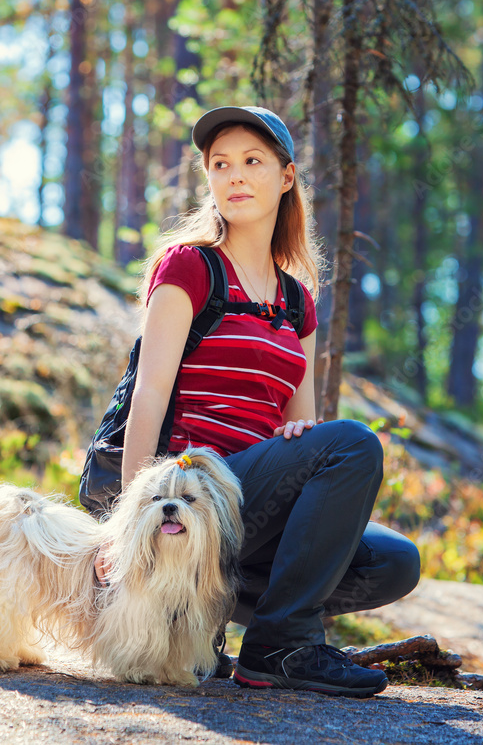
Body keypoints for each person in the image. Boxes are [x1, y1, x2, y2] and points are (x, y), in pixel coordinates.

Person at [95, 105, 421, 697]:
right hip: (187, 492)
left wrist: (300, 437)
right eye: (220, 164)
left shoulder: (297, 300)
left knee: (395, 562)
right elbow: (149, 393)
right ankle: (281, 645)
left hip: (251, 510)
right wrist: (127, 524)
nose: (235, 176)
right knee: (355, 443)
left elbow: (302, 428)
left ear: (287, 177)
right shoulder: (190, 267)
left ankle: (230, 615)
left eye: (252, 162)